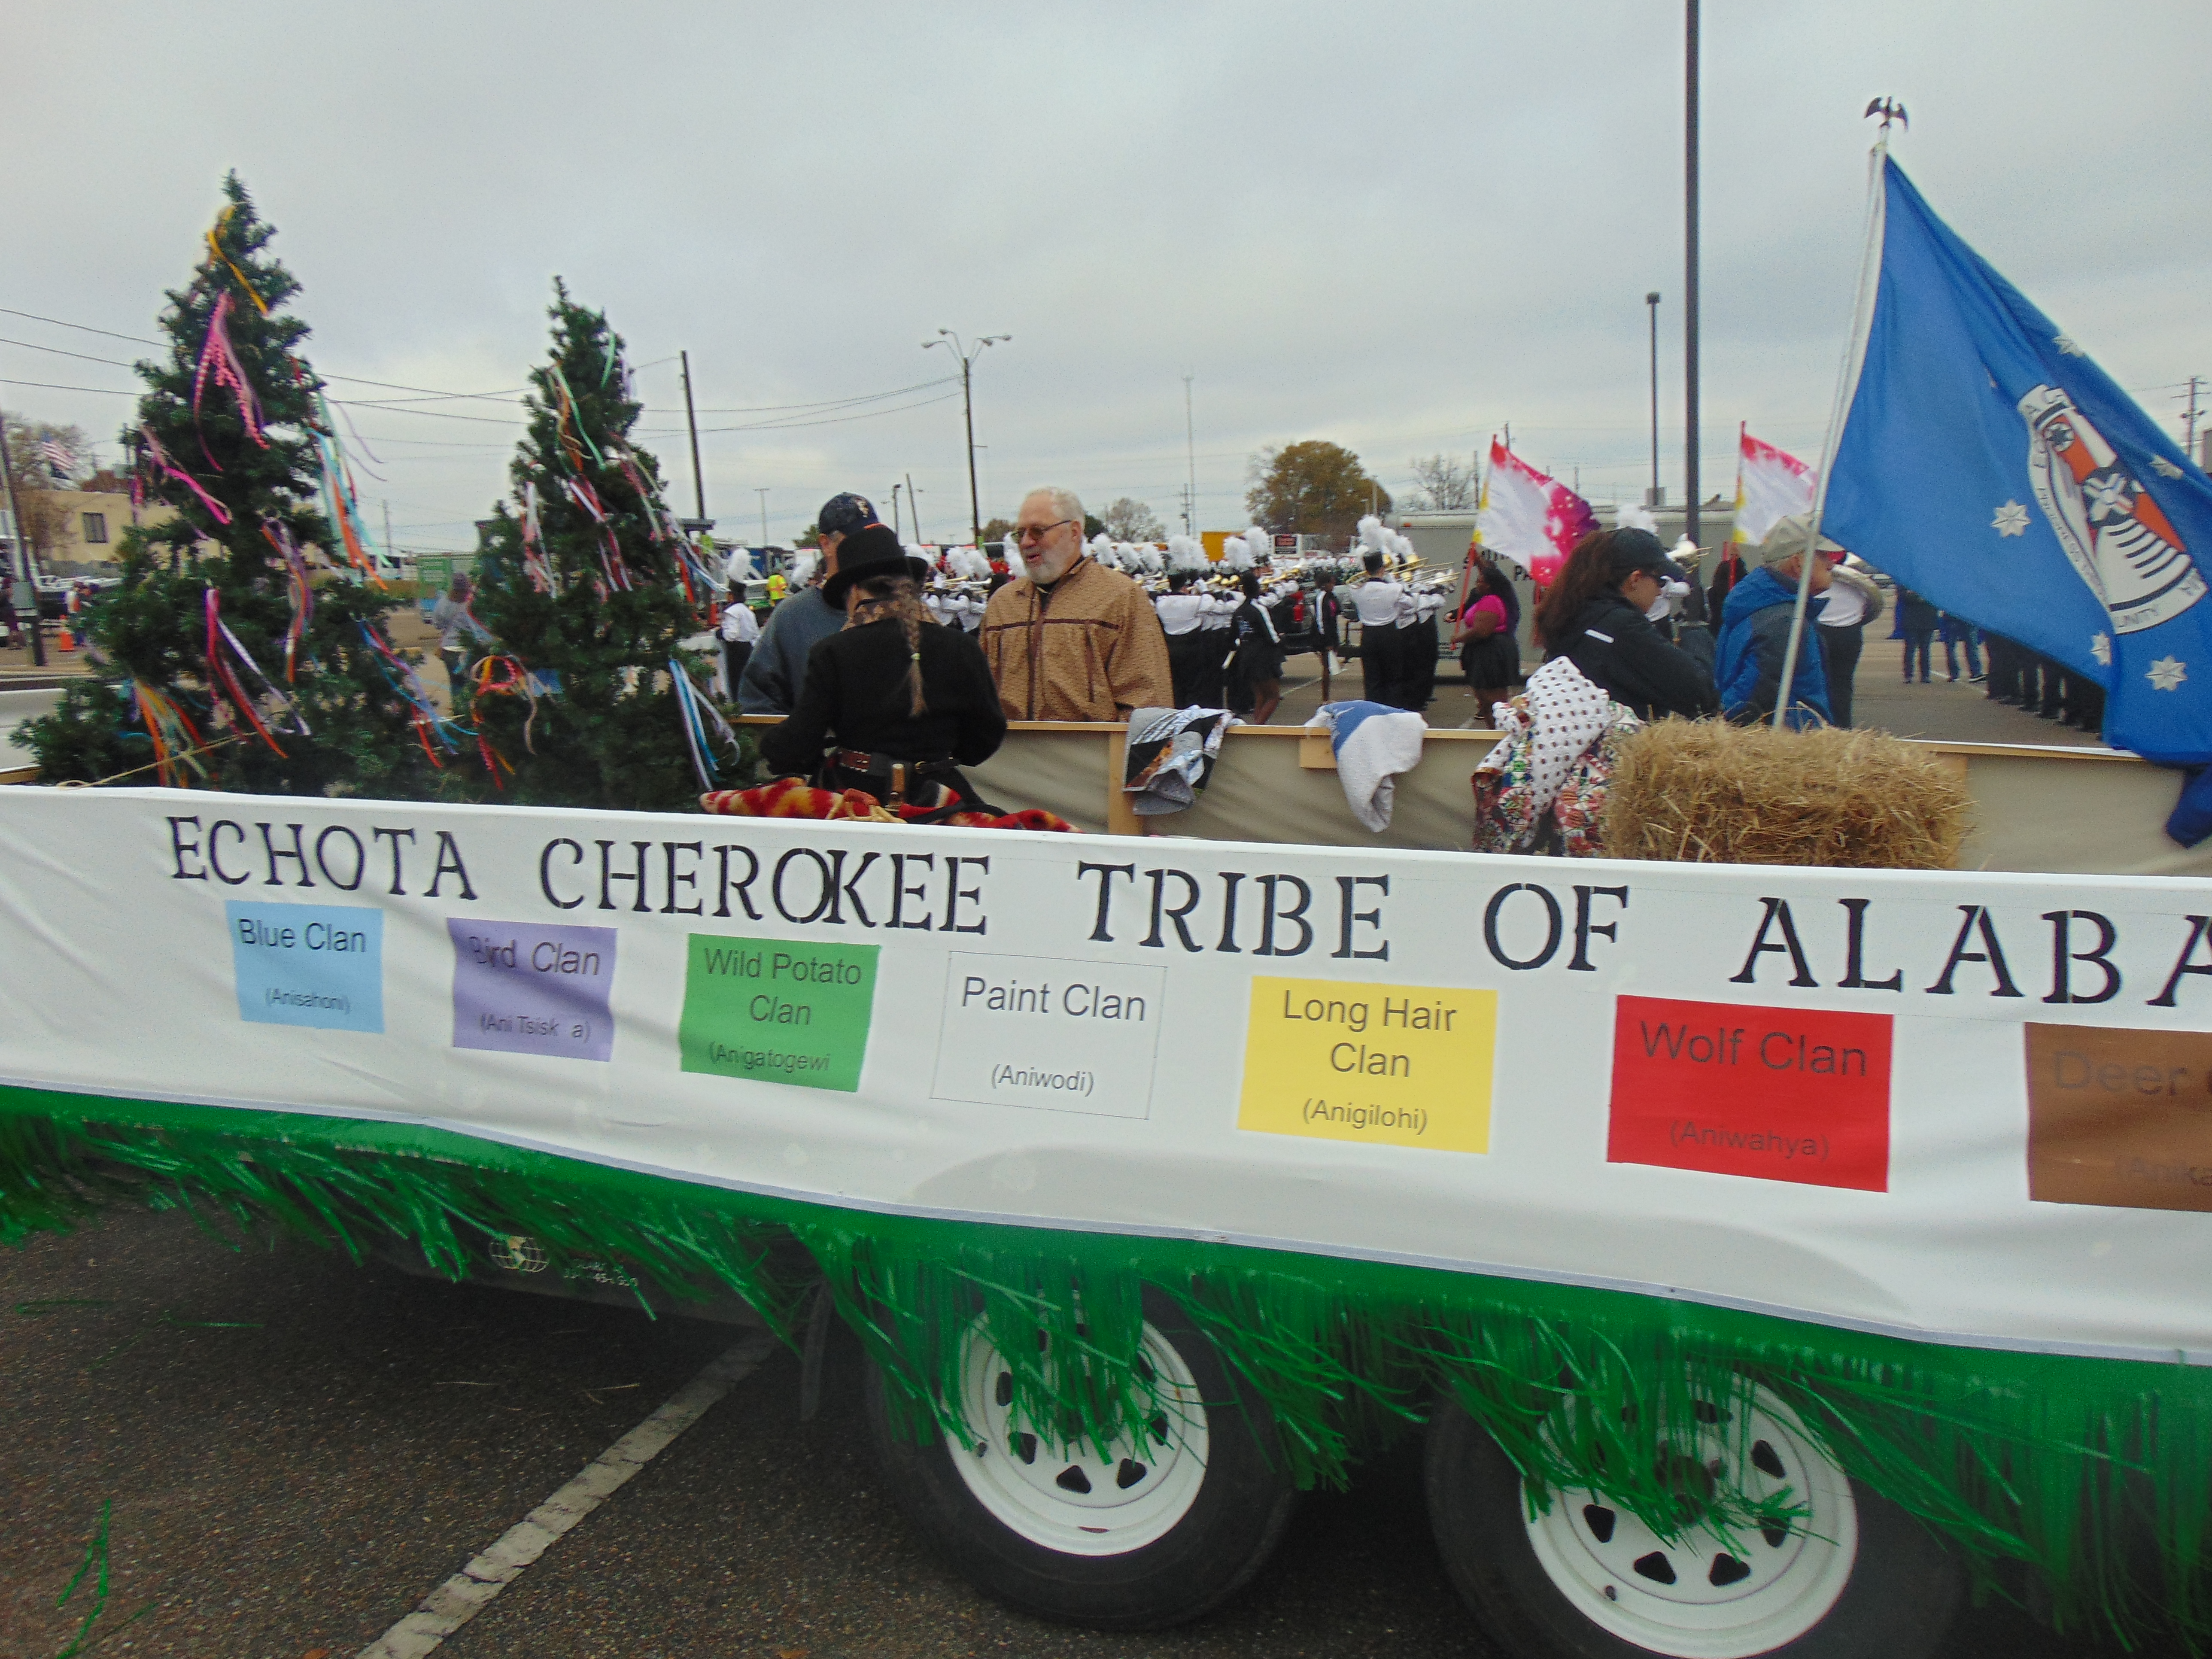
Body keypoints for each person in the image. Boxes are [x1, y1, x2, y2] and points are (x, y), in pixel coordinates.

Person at [759, 526, 1006, 807]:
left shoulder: (832, 652)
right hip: (938, 796)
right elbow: (986, 736)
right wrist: (938, 756)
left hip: (857, 799)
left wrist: (767, 745)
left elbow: (799, 744)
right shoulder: (961, 647)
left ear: (853, 591)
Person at [979, 487, 1172, 721]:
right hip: (1013, 753)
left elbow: (1148, 703)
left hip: (1092, 753)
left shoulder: (1122, 598)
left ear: (1074, 532)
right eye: (1021, 534)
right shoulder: (1002, 605)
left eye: (1038, 532)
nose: (1027, 542)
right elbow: (980, 695)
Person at [1535, 527, 1718, 721]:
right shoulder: (1620, 627)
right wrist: (1696, 636)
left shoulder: (1575, 615)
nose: (1659, 592)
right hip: (1618, 748)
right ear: (1635, 579)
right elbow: (1701, 697)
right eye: (1660, 581)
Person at [740, 493, 879, 714]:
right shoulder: (791, 617)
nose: (867, 547)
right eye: (854, 539)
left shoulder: (896, 606)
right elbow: (759, 702)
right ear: (826, 544)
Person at [1714, 514, 1835, 726]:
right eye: (1823, 555)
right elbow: (1751, 698)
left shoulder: (1759, 604)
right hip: (1787, 749)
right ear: (1798, 563)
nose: (1831, 563)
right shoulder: (1785, 621)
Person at [1813, 553, 1884, 729]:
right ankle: (1842, 726)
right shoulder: (1857, 582)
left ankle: (1827, 725)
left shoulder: (1819, 577)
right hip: (1848, 633)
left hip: (1828, 632)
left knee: (1822, 681)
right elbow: (1870, 607)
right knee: (1841, 683)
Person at [1456, 561, 1521, 721]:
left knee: (1494, 702)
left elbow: (1482, 631)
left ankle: (1500, 733)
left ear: (1489, 585)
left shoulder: (1491, 601)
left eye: (1480, 581)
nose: (1477, 584)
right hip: (1486, 651)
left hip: (1491, 653)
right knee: (1485, 702)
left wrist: (1459, 638)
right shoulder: (1485, 599)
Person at [1349, 550, 1410, 708]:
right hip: (1389, 634)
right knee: (1394, 677)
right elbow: (1411, 604)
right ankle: (1393, 711)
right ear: (1383, 569)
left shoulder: (1355, 590)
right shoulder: (1394, 589)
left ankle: (1373, 712)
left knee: (1372, 679)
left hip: (1368, 635)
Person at [1155, 570, 1223, 707]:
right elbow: (1211, 606)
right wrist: (1205, 590)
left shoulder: (1160, 602)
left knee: (1177, 685)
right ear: (1185, 586)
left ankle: (1178, 712)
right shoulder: (1194, 601)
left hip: (1171, 648)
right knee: (1195, 686)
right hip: (1192, 648)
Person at [1227, 570, 1286, 723]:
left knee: (1260, 695)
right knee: (1274, 696)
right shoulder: (1259, 608)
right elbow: (1272, 636)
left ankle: (1256, 726)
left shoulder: (1239, 611)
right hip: (1263, 658)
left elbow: (1233, 637)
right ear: (1257, 588)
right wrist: (1281, 640)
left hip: (1246, 657)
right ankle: (1257, 727)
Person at [428, 573, 491, 688]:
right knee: (473, 682)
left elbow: (437, 624)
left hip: (448, 649)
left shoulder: (442, 603)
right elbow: (479, 627)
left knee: (455, 683)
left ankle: (457, 704)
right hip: (468, 649)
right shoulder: (470, 605)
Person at [717, 591, 760, 700]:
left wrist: (720, 633)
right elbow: (756, 633)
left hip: (736, 650)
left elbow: (731, 635)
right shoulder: (748, 611)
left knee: (736, 680)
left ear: (731, 596)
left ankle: (738, 704)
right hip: (749, 647)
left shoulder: (732, 612)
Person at [1895, 587, 1939, 684]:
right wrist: (1922, 597)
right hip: (1911, 622)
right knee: (1910, 650)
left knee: (1925, 651)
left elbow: (1935, 597)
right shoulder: (1906, 582)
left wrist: (1917, 596)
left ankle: (1925, 675)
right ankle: (1909, 675)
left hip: (1928, 622)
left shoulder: (1930, 583)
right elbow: (1904, 596)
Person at [1939, 613, 1984, 683]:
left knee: (1951, 647)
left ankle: (1954, 675)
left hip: (1952, 618)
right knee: (1971, 647)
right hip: (1968, 618)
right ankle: (1976, 673)